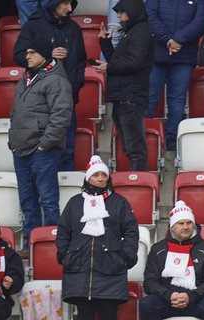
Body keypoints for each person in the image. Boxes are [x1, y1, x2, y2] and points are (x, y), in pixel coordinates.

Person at [56, 155, 140, 320]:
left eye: (104, 175)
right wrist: (64, 255)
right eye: (96, 175)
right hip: (79, 267)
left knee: (109, 314)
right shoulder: (75, 202)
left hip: (111, 267)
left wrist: (125, 257)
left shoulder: (119, 202)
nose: (100, 179)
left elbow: (131, 232)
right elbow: (63, 231)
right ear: (88, 178)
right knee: (83, 314)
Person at [9, 36, 72, 241]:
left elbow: (61, 115)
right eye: (26, 52)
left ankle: (52, 245)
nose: (27, 56)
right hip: (21, 149)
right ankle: (30, 243)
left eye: (31, 52)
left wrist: (44, 145)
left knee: (48, 201)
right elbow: (15, 112)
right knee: (27, 201)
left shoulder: (56, 80)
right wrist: (13, 139)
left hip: (42, 151)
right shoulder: (25, 79)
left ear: (43, 54)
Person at [13, 0, 86, 171]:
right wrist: (46, 54)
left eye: (71, 4)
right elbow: (18, 55)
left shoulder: (74, 29)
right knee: (43, 154)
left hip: (67, 99)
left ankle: (67, 194)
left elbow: (81, 59)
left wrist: (76, 82)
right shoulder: (34, 25)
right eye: (65, 4)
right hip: (38, 102)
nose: (69, 8)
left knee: (68, 150)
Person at [145, 0, 204, 151]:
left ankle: (172, 141)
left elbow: (201, 21)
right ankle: (145, 138)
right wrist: (168, 39)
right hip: (157, 54)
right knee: (150, 98)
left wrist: (178, 39)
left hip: (184, 56)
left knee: (177, 101)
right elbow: (150, 16)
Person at [97, 0, 153, 172]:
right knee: (130, 147)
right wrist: (106, 45)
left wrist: (109, 67)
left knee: (134, 148)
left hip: (130, 97)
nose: (119, 16)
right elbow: (119, 62)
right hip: (123, 96)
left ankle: (138, 184)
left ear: (132, 11)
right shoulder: (132, 32)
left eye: (122, 12)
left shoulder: (140, 31)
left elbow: (134, 63)